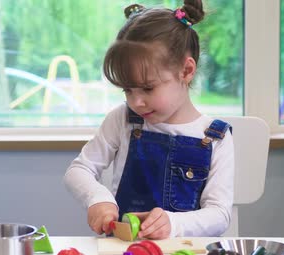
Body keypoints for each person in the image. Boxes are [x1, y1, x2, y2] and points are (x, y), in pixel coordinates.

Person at [63, 0, 234, 240]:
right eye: (128, 90)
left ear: (186, 71)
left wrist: (174, 224)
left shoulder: (215, 137)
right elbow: (78, 170)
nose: (136, 102)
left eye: (147, 88)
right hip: (121, 254)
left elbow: (219, 215)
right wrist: (98, 198)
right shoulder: (123, 120)